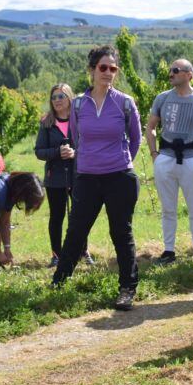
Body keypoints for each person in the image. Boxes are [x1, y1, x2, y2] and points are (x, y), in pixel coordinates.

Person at [52, 46, 142, 311]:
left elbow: (135, 140)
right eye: (103, 67)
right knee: (76, 231)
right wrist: (91, 160)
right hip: (88, 177)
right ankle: (59, 282)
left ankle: (127, 288)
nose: (108, 73)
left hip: (119, 178)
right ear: (91, 70)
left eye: (113, 68)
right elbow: (78, 137)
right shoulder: (78, 103)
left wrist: (122, 161)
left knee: (121, 233)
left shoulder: (125, 102)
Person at [146, 58, 193, 264]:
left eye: (175, 70)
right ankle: (168, 251)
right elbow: (150, 127)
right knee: (168, 208)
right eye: (170, 70)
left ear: (189, 74)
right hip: (165, 158)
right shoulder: (162, 98)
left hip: (192, 159)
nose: (171, 74)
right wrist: (154, 154)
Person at [34, 83, 88, 267]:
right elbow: (39, 151)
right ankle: (56, 255)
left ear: (69, 98)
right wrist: (57, 152)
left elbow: (89, 145)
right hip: (55, 178)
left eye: (61, 96)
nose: (56, 100)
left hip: (80, 174)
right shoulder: (46, 122)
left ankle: (83, 252)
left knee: (80, 215)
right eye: (54, 97)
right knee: (56, 217)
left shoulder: (80, 119)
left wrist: (75, 153)